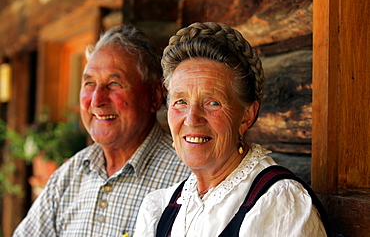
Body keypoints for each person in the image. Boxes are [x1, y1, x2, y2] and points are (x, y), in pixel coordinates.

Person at [134, 22, 330, 237]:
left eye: (213, 102)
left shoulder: (278, 205)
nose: (192, 119)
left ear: (247, 115)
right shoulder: (159, 208)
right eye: (180, 101)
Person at [13, 24, 190, 237]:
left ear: (154, 96)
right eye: (89, 83)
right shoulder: (69, 176)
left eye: (114, 84)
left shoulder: (186, 177)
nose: (96, 100)